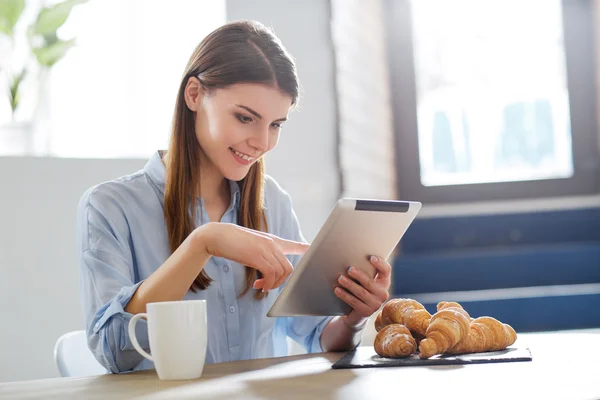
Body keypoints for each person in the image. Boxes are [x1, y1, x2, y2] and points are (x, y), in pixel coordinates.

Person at [77, 20, 392, 373]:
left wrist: (352, 318)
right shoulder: (110, 207)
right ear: (194, 95)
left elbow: (316, 334)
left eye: (276, 124)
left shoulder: (273, 201)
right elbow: (114, 352)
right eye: (245, 118)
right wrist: (202, 243)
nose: (262, 142)